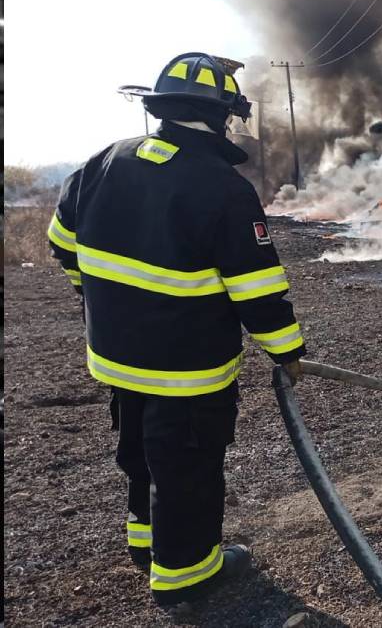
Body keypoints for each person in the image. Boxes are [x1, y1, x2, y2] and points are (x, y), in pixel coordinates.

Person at [46, 52, 306, 607]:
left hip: (117, 359)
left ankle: (147, 546)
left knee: (140, 453)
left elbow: (60, 240)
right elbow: (256, 290)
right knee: (187, 467)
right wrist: (288, 351)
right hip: (186, 371)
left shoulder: (104, 161)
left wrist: (90, 296)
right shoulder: (223, 188)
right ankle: (186, 579)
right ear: (221, 116)